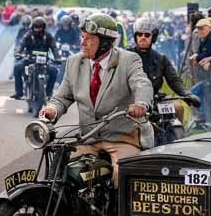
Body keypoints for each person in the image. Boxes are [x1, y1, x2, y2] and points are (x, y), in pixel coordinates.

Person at [40, 13, 153, 186]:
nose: (82, 43)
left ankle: (117, 213)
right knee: (65, 176)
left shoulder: (129, 60)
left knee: (122, 176)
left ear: (105, 43)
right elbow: (62, 96)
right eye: (82, 37)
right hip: (88, 138)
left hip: (121, 136)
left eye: (90, 38)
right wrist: (52, 110)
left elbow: (142, 83)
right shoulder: (74, 62)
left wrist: (141, 104)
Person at [129, 17, 199, 125]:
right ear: (135, 36)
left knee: (178, 108)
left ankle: (177, 139)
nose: (142, 38)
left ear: (153, 37)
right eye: (139, 34)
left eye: (147, 35)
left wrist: (188, 94)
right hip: (132, 102)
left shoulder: (161, 59)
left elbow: (174, 81)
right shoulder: (125, 57)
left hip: (155, 101)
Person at [14, 17, 59, 99]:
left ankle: (49, 93)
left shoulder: (48, 36)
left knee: (54, 70)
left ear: (44, 27)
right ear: (33, 26)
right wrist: (18, 52)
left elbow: (54, 47)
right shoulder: (28, 35)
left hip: (44, 60)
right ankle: (19, 92)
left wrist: (57, 58)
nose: (38, 29)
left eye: (40, 27)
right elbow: (21, 44)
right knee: (17, 68)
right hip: (29, 59)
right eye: (36, 27)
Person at [189, 18, 211, 125]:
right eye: (198, 29)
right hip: (206, 75)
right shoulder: (205, 39)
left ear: (208, 28)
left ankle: (206, 119)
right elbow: (203, 54)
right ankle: (204, 118)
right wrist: (198, 56)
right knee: (199, 93)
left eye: (202, 29)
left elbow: (210, 54)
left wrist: (197, 57)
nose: (199, 31)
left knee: (199, 93)